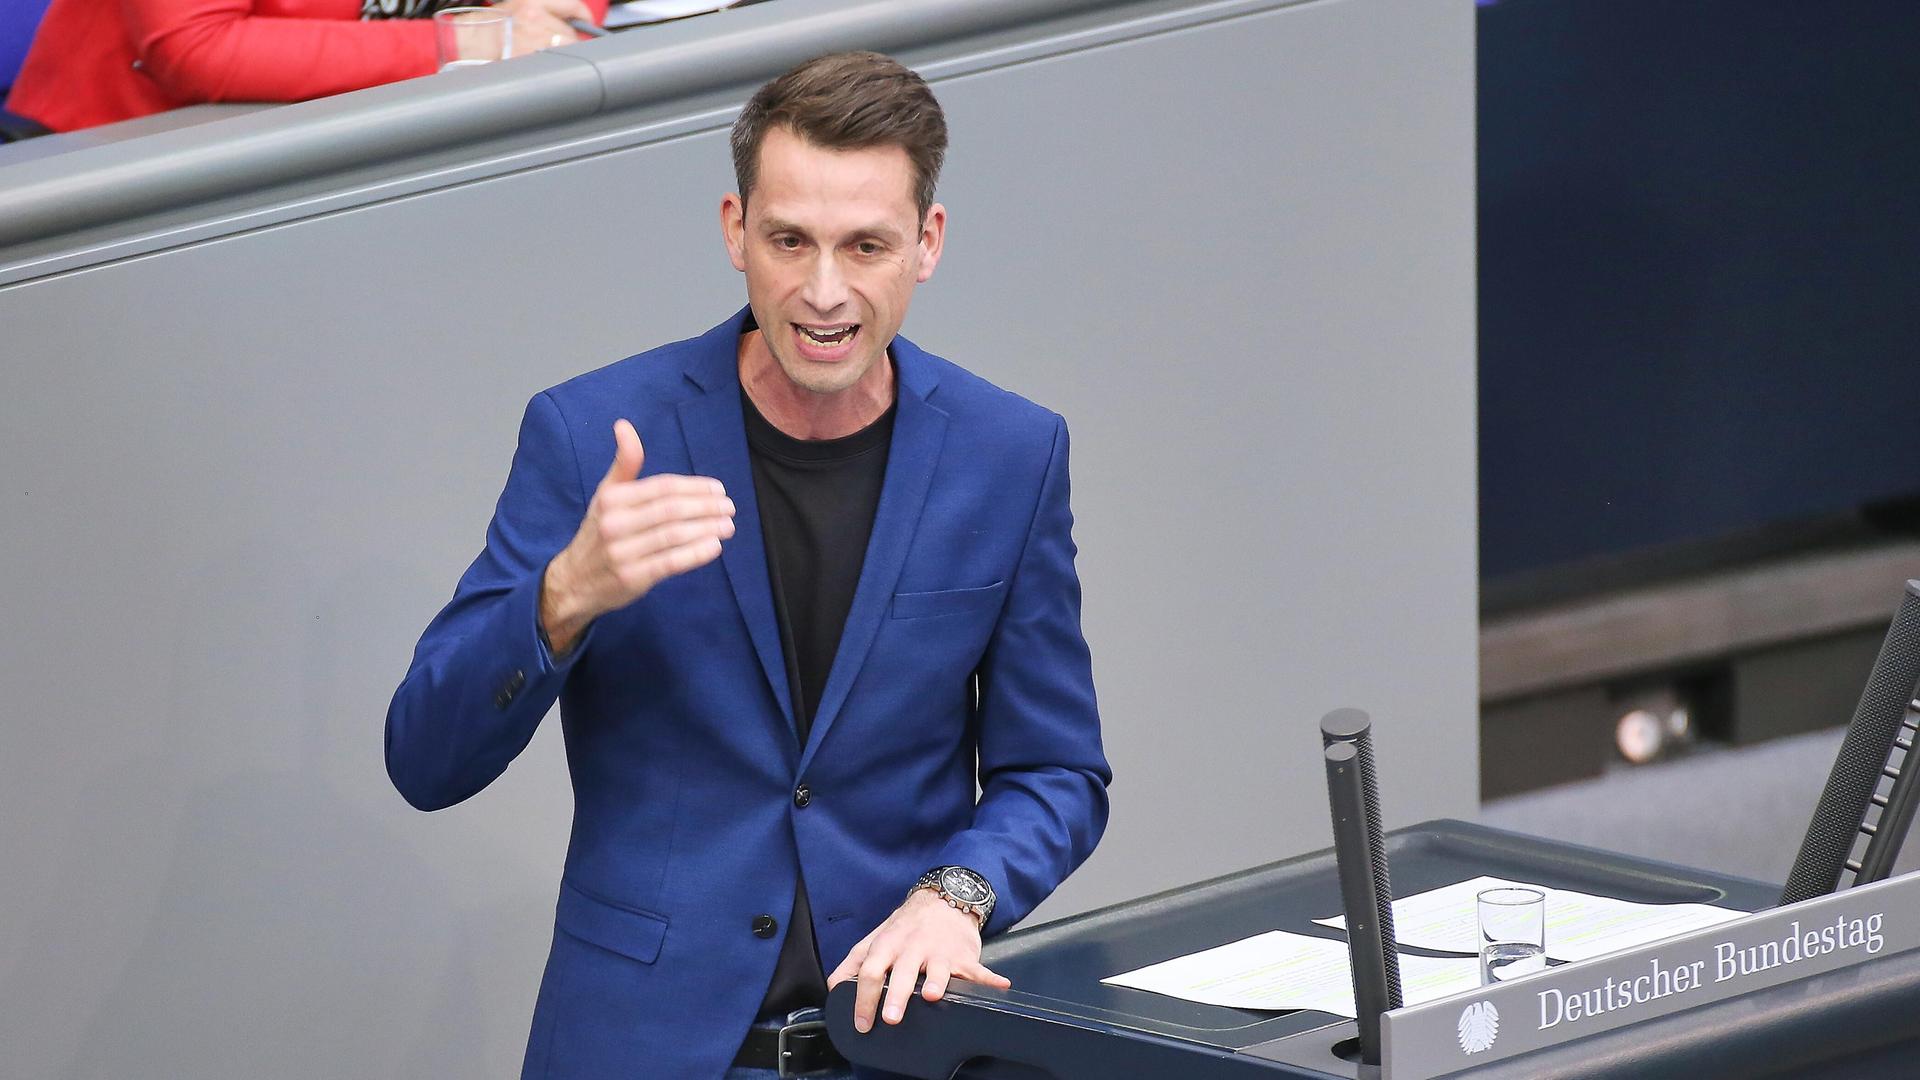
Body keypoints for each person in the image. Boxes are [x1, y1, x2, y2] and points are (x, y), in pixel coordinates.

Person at [384, 51, 1111, 1079]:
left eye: (866, 245)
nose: (825, 292)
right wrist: (561, 601)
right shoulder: (593, 434)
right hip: (644, 1051)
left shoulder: (1010, 453)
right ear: (736, 232)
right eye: (789, 241)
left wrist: (958, 897)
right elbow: (424, 758)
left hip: (905, 1050)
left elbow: (1057, 774)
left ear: (927, 244)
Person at [4, 0, 601, 134]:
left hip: (396, 126)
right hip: (133, 154)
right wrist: (470, 40)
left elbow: (556, 10)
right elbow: (196, 49)